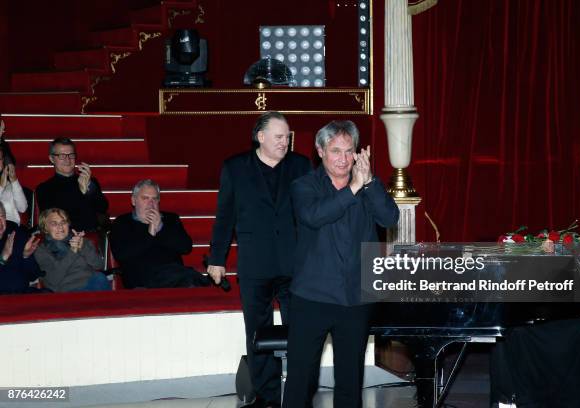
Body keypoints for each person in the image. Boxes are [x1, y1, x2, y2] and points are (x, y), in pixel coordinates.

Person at [282, 120, 399, 408]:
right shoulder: (304, 186)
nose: (344, 159)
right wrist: (353, 189)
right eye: (336, 151)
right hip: (312, 297)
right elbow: (315, 215)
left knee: (350, 382)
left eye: (349, 151)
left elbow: (390, 218)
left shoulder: (368, 184)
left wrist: (368, 182)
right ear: (320, 151)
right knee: (300, 380)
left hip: (355, 298)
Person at [207, 111, 311, 408]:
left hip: (296, 265)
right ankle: (266, 396)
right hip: (255, 265)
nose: (285, 141)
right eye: (279, 136)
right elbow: (225, 216)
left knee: (303, 330)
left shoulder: (301, 166)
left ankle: (300, 394)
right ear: (260, 137)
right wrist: (217, 258)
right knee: (257, 333)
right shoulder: (235, 168)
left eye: (288, 136)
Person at [110, 179, 208, 289]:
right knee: (189, 277)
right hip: (141, 278)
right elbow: (121, 254)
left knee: (185, 277)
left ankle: (200, 282)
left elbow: (186, 247)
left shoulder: (170, 219)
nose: (151, 203)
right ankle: (204, 282)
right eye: (145, 198)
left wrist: (160, 227)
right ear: (133, 200)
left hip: (174, 275)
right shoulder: (122, 222)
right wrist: (150, 234)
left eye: (154, 199)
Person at [36, 137, 109, 232]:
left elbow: (103, 208)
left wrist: (88, 190)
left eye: (71, 155)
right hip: (61, 238)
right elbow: (55, 219)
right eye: (62, 156)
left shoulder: (89, 182)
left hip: (88, 237)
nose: (67, 160)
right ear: (52, 159)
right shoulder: (44, 188)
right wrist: (82, 194)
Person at [34, 208, 110, 292]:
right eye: (54, 224)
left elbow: (99, 265)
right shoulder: (41, 250)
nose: (60, 227)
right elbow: (53, 280)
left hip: (90, 286)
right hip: (64, 292)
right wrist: (73, 251)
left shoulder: (82, 241)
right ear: (45, 228)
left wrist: (83, 248)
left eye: (63, 222)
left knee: (100, 278)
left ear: (68, 224)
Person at [0, 202, 43, 294]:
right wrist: (3, 258)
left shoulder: (18, 235)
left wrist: (26, 257)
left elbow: (33, 275)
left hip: (23, 295)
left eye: (2, 216)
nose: (0, 223)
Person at [0, 140, 27, 224]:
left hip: (11, 227)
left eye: (0, 159)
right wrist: (1, 187)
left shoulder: (9, 184)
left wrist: (14, 181)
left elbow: (22, 208)